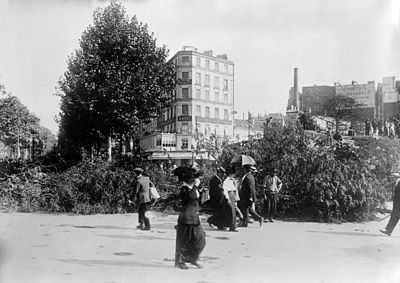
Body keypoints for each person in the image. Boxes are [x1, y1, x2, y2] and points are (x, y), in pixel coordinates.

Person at [174, 166, 206, 269]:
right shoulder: (184, 189)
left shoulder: (192, 188)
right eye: (193, 180)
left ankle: (193, 258)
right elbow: (191, 197)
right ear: (188, 181)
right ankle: (180, 262)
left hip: (194, 217)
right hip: (186, 218)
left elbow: (197, 200)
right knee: (183, 241)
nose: (195, 181)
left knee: (200, 239)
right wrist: (195, 187)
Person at [380, 172, 400, 236]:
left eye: (392, 178)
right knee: (394, 216)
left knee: (394, 216)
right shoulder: (397, 182)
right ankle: (389, 231)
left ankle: (389, 230)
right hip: (397, 203)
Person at [222, 165, 240, 232]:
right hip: (229, 195)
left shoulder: (232, 180)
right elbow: (225, 191)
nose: (234, 175)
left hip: (233, 194)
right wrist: (228, 199)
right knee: (232, 212)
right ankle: (232, 226)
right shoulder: (226, 181)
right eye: (233, 174)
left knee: (234, 211)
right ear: (230, 174)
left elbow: (235, 188)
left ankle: (233, 225)